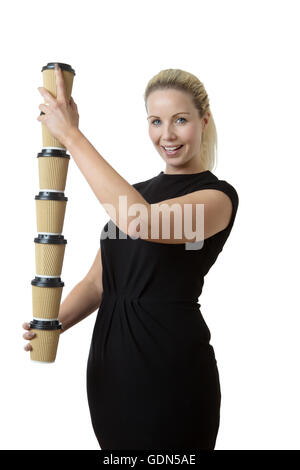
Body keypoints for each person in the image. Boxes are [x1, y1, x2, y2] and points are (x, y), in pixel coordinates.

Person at [23, 65, 239, 450]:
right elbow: (98, 282)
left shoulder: (216, 198)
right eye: (156, 121)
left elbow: (140, 222)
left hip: (170, 373)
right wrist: (52, 324)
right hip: (110, 374)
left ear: (204, 122)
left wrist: (71, 135)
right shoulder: (133, 194)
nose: (167, 134)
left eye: (180, 120)